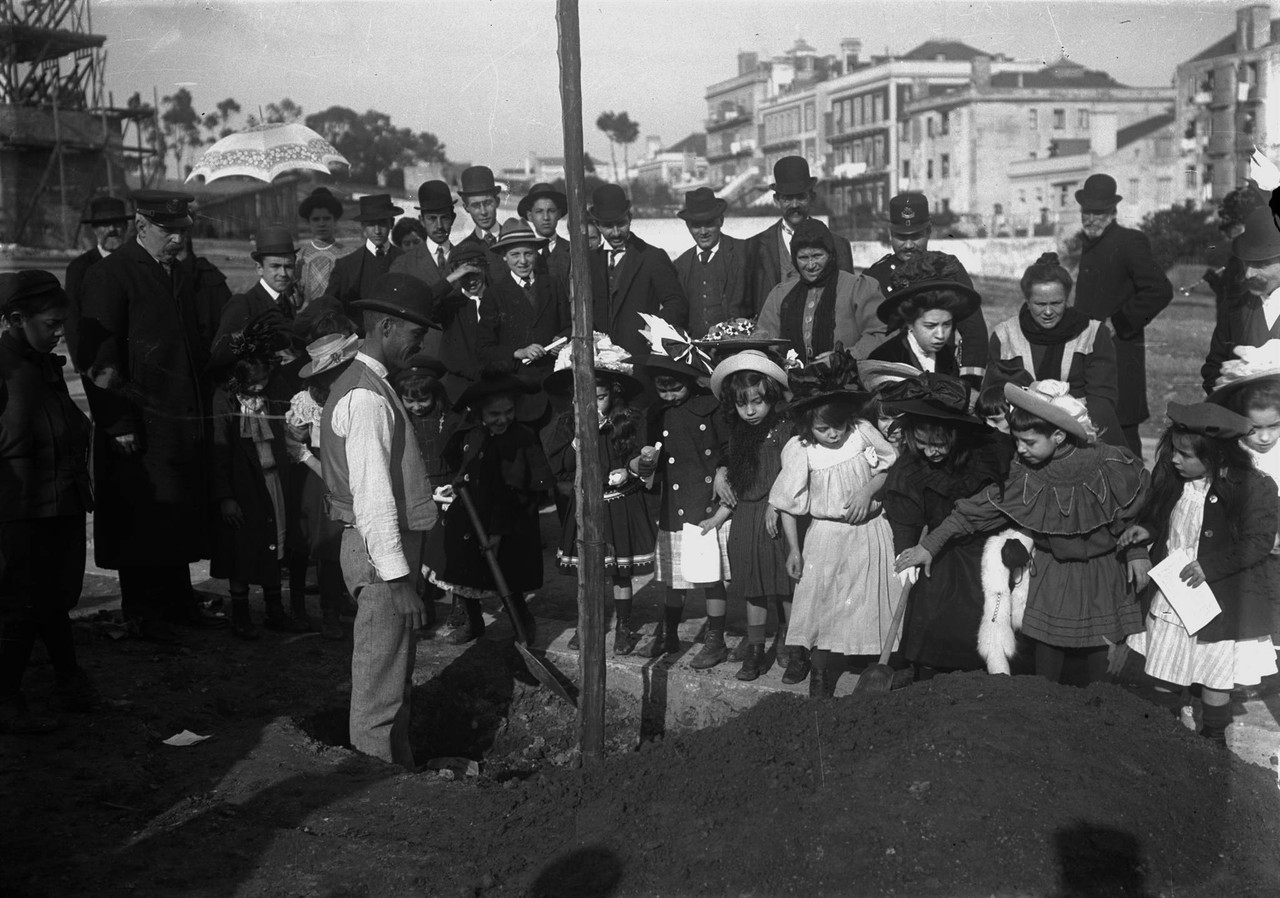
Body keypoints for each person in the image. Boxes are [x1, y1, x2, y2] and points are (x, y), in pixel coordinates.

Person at [896, 380, 1149, 687]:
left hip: (1101, 573)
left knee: (1097, 666)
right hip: (1051, 575)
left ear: (1058, 435)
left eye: (1029, 442)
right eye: (1016, 441)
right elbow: (975, 511)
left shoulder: (1105, 463)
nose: (1019, 449)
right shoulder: (1025, 476)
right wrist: (930, 546)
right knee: (1046, 664)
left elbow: (1126, 515)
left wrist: (1136, 554)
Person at [77, 189, 224, 644]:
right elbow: (97, 360)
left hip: (174, 419)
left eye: (183, 231)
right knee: (143, 518)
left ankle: (178, 602)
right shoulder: (111, 275)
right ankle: (144, 612)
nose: (178, 240)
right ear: (141, 226)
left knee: (175, 513)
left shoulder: (175, 273)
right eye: (169, 231)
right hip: (136, 423)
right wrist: (117, 423)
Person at [320, 272, 436, 767]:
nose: (420, 344)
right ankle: (372, 787)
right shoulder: (365, 397)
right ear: (387, 326)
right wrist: (397, 579)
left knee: (393, 676)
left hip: (381, 550)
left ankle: (400, 771)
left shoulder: (371, 386)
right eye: (416, 334)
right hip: (377, 554)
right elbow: (373, 501)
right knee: (378, 688)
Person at [1120, 401, 1278, 745]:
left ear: (1217, 458)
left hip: (1217, 595)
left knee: (1214, 668)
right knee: (1166, 659)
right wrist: (1146, 529)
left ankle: (1213, 735)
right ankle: (1163, 728)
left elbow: (1258, 543)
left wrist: (1210, 566)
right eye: (1174, 452)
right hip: (1174, 589)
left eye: (1186, 455)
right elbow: (1160, 514)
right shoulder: (1175, 480)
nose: (1176, 459)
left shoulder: (1251, 488)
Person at [769, 350, 899, 697]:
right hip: (827, 535)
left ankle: (870, 670)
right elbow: (786, 504)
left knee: (868, 600)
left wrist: (867, 489)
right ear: (808, 424)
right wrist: (794, 550)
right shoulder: (801, 449)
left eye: (837, 426)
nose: (832, 435)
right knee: (823, 603)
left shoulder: (861, 433)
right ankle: (820, 673)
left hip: (870, 531)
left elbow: (888, 465)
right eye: (822, 429)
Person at [0, 271, 94, 734]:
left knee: (56, 599)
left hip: (62, 502)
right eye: (51, 323)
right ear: (17, 320)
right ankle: (7, 695)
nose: (61, 332)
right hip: (18, 510)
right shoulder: (4, 369)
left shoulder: (47, 367)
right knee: (20, 601)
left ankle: (68, 677)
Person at [880, 373, 1005, 679]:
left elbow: (989, 506)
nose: (930, 452)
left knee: (979, 611)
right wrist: (904, 554)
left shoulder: (984, 453)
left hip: (980, 542)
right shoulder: (909, 468)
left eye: (938, 445)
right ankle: (928, 671)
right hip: (932, 549)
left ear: (954, 435)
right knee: (933, 607)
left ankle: (976, 673)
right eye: (921, 444)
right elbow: (905, 515)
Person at [546, 337, 655, 655]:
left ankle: (623, 625)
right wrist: (580, 438)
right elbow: (560, 466)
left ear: (614, 395)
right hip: (587, 508)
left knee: (620, 571)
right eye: (584, 399)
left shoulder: (628, 423)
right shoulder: (569, 426)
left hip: (619, 504)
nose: (594, 405)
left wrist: (631, 470)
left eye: (601, 397)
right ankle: (587, 623)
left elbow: (638, 460)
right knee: (590, 570)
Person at [633, 323, 729, 665]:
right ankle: (668, 633)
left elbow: (728, 448)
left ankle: (716, 638)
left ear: (689, 380)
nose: (670, 395)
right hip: (674, 503)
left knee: (711, 576)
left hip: (705, 504)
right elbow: (654, 460)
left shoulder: (711, 407)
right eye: (662, 389)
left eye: (675, 388)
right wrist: (645, 464)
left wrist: (722, 471)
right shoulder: (656, 414)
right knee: (673, 577)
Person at [433, 372, 551, 646]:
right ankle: (472, 623)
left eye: (508, 412)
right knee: (467, 572)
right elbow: (463, 461)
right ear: (479, 412)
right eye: (494, 414)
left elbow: (517, 488)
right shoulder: (473, 433)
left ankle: (523, 626)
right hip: (473, 511)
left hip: (510, 516)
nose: (503, 419)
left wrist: (498, 531)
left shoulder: (521, 438)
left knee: (507, 576)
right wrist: (459, 481)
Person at [210, 316, 306, 639]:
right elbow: (219, 451)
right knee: (241, 550)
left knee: (272, 545)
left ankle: (274, 610)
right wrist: (225, 497)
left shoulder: (274, 392)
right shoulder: (225, 400)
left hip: (273, 481)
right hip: (242, 487)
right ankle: (240, 614)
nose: (258, 390)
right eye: (251, 385)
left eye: (262, 382)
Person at [704, 350, 796, 682]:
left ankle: (791, 641)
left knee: (785, 585)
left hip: (779, 516)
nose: (751, 411)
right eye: (743, 405)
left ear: (771, 396)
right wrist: (720, 516)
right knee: (753, 587)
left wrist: (780, 503)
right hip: (747, 516)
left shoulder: (785, 429)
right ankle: (756, 648)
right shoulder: (740, 435)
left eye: (757, 402)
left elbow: (795, 474)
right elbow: (740, 484)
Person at [1073, 173, 1174, 456]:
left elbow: (1160, 290)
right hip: (1089, 357)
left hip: (1120, 356)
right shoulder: (1089, 244)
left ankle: (1138, 498)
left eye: (1099, 212)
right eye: (1086, 212)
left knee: (1124, 438)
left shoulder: (1129, 241)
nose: (1091, 219)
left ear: (1113, 212)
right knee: (1092, 434)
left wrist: (1118, 322)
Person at [985, 252, 1124, 446]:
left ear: (1067, 299)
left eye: (1056, 303)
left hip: (1080, 435)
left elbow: (1102, 400)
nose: (1048, 312)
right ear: (1027, 301)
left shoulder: (1093, 333)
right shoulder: (1004, 335)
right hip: (1021, 439)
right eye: (1040, 304)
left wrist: (1081, 435)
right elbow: (993, 395)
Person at [1209, 340, 1280, 698]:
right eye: (1255, 429)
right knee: (1248, 611)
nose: (1265, 437)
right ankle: (1238, 676)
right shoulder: (1234, 455)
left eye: (1274, 427)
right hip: (1247, 551)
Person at [285, 320, 360, 641]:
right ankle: (305, 607)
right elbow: (295, 442)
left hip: (344, 474)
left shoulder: (352, 396)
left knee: (340, 543)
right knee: (314, 543)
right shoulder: (307, 401)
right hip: (315, 479)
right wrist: (297, 440)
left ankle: (336, 604)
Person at [865, 194, 989, 384]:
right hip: (892, 379)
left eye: (916, 236)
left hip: (942, 375)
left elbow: (974, 333)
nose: (908, 245)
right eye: (901, 237)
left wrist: (970, 384)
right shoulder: (875, 277)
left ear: (929, 231)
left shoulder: (949, 270)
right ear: (890, 233)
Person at [754, 218, 887, 364]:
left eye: (817, 256)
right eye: (803, 258)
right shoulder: (780, 295)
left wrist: (846, 357)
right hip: (792, 381)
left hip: (848, 381)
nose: (811, 265)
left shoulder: (857, 288)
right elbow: (765, 342)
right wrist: (779, 362)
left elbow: (880, 333)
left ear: (830, 255)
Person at [587, 183, 689, 367]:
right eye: (608, 226)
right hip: (599, 362)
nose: (616, 232)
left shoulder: (652, 257)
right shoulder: (589, 261)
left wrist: (656, 325)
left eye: (621, 223)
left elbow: (676, 303)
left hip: (640, 359)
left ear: (630, 218)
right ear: (597, 225)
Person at [392, 354, 457, 630]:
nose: (417, 407)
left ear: (436, 395)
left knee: (447, 552)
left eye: (423, 400)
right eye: (410, 401)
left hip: (445, 490)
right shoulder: (400, 422)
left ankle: (460, 609)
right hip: (416, 492)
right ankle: (425, 604)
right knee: (419, 555)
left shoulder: (449, 419)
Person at [744, 156, 854, 314]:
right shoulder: (753, 247)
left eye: (801, 197)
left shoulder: (839, 245)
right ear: (776, 200)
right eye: (787, 198)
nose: (795, 205)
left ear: (812, 197)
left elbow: (847, 304)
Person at [475, 218, 571, 380]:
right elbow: (484, 348)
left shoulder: (553, 285)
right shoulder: (494, 295)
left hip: (554, 376)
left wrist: (562, 340)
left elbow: (570, 326)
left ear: (536, 253)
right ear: (504, 256)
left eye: (528, 253)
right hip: (517, 382)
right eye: (515, 255)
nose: (523, 261)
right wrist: (519, 352)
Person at [868, 254, 982, 388]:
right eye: (930, 326)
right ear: (910, 322)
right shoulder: (886, 358)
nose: (940, 335)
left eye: (946, 324)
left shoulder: (946, 356)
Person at [1202, 206, 1280, 395]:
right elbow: (1212, 370)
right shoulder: (1234, 309)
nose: (1248, 273)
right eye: (1246, 262)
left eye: (1261, 264)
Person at [210, 225, 302, 371]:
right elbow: (218, 354)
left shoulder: (287, 303)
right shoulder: (243, 304)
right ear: (259, 268)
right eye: (275, 266)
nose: (283, 273)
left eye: (288, 266)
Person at [671, 187, 752, 336]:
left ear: (720, 220)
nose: (703, 232)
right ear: (688, 226)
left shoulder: (744, 253)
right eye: (696, 225)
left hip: (737, 350)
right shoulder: (681, 265)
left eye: (708, 223)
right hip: (697, 351)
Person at [64, 196, 130, 361]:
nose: (112, 229)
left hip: (134, 360)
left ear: (126, 227)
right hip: (97, 361)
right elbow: (72, 318)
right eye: (105, 225)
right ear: (94, 229)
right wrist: (80, 360)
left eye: (117, 224)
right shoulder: (79, 268)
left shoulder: (137, 263)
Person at [323, 194, 405, 319]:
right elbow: (328, 306)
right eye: (371, 224)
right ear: (363, 226)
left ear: (391, 223)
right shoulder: (346, 265)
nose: (377, 231)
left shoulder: (406, 259)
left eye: (382, 223)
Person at [391, 180, 459, 290]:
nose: (439, 226)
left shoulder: (466, 257)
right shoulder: (403, 264)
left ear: (453, 218)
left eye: (444, 218)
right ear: (422, 220)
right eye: (432, 218)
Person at [296, 187, 353, 308]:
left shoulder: (349, 255)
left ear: (335, 220)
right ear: (308, 222)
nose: (322, 224)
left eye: (326, 218)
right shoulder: (299, 256)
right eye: (316, 219)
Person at [454, 165, 507, 273]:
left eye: (488, 203)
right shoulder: (461, 251)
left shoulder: (515, 241)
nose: (483, 212)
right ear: (466, 208)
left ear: (497, 202)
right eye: (476, 206)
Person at [519, 181, 571, 290]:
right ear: (530, 216)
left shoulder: (571, 250)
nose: (546, 217)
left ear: (559, 214)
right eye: (539, 211)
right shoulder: (522, 253)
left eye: (551, 211)